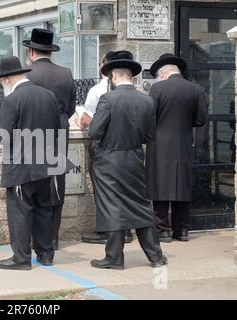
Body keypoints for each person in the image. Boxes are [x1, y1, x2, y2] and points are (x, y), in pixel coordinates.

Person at [89, 51, 167, 270]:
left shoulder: (108, 99)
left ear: (113, 75)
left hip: (109, 160)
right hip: (134, 157)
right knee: (141, 205)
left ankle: (114, 258)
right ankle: (156, 256)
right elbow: (150, 135)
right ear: (131, 76)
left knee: (111, 206)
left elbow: (95, 131)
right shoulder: (146, 100)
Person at [0, 56, 61, 270]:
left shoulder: (11, 100)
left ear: (6, 79)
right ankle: (46, 254)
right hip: (46, 163)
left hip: (21, 166)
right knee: (44, 210)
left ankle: (21, 258)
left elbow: (5, 137)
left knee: (20, 213)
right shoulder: (49, 96)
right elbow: (57, 128)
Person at [24, 28, 76, 250]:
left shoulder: (26, 74)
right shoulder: (65, 73)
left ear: (31, 52)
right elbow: (71, 107)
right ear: (50, 52)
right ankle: (52, 238)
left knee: (28, 185)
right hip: (58, 131)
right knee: (55, 186)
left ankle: (30, 237)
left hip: (29, 132)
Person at [146, 53, 208, 242]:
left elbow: (149, 117)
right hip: (184, 142)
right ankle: (182, 230)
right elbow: (201, 119)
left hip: (159, 144)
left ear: (163, 74)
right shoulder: (195, 90)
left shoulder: (157, 89)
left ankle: (162, 229)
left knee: (160, 185)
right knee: (182, 185)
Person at [78, 51, 133, 245]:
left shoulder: (97, 91)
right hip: (131, 151)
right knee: (126, 192)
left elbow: (87, 122)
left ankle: (106, 232)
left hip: (103, 149)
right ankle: (125, 231)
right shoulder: (139, 96)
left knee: (104, 192)